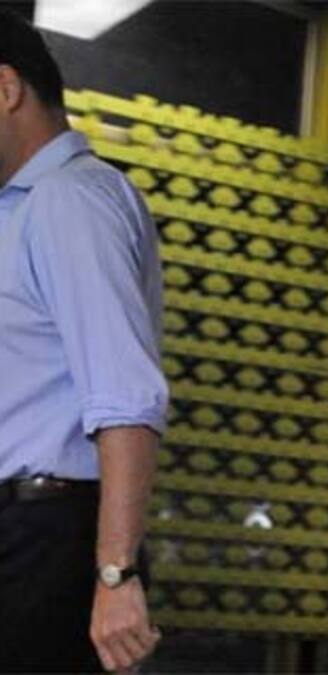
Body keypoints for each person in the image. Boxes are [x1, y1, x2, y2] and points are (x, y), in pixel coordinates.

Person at [0, 10, 168, 673]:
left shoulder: (70, 200)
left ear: (6, 89)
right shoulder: (22, 210)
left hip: (50, 538)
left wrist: (115, 574)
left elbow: (126, 395)